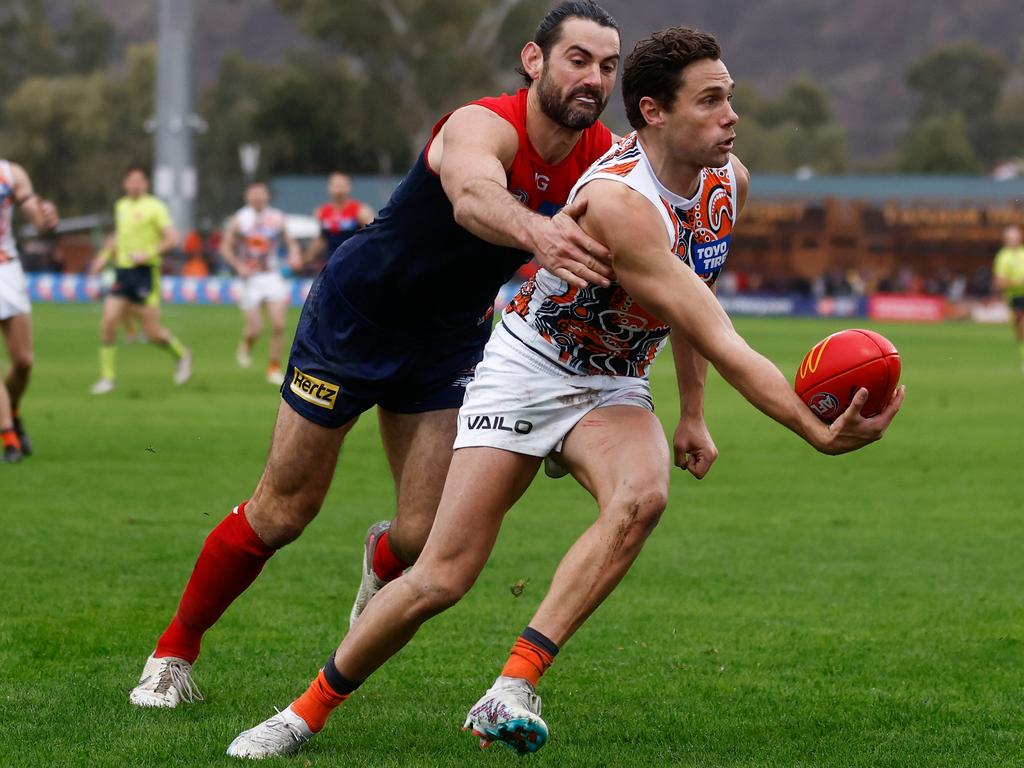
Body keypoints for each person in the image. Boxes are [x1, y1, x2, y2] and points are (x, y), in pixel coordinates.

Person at [224, 26, 905, 759]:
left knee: (641, 498)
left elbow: (694, 304)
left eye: (730, 97)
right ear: (652, 112)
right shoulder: (621, 204)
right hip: (529, 365)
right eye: (710, 102)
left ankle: (512, 686)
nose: (730, 117)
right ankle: (302, 712)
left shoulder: (728, 181)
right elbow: (720, 333)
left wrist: (694, 416)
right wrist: (811, 427)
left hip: (611, 381)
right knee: (443, 576)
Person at [129, 1, 620, 709]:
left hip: (448, 341)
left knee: (421, 539)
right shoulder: (482, 123)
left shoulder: (602, 156)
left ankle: (378, 557)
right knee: (283, 511)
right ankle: (172, 652)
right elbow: (472, 196)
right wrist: (539, 234)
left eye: (607, 66)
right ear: (534, 60)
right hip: (356, 319)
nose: (593, 78)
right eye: (579, 59)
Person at [88, 166, 192, 395]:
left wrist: (149, 253)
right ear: (125, 183)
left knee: (153, 332)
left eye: (139, 181)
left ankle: (182, 355)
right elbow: (117, 236)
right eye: (130, 180)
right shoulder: (121, 206)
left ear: (146, 184)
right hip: (123, 273)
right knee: (107, 322)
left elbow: (172, 238)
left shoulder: (155, 207)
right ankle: (108, 378)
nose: (134, 184)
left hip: (145, 273)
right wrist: (103, 257)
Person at [0, 158, 59, 463]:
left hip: (6, 269)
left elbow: (39, 222)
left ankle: (13, 410)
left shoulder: (11, 173)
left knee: (23, 362)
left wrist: (47, 219)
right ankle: (9, 437)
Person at [220, 181, 301, 385]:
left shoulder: (277, 218)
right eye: (254, 194)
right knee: (255, 328)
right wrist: (238, 265)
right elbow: (225, 248)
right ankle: (246, 344)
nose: (258, 197)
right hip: (249, 279)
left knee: (278, 324)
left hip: (272, 276)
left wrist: (294, 254)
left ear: (267, 196)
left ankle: (273, 367)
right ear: (247, 196)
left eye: (261, 194)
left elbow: (290, 241)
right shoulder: (240, 219)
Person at [305, 172, 375, 267]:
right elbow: (321, 239)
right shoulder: (321, 212)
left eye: (342, 186)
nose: (339, 190)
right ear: (329, 187)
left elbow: (374, 237)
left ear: (349, 187)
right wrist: (306, 258)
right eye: (336, 186)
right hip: (330, 263)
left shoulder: (360, 211)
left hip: (355, 263)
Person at [992, 224, 1024, 372]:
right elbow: (999, 281)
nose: (1014, 240)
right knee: (1020, 330)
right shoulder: (1003, 257)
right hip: (1015, 297)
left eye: (1016, 237)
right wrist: (1017, 283)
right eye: (1011, 238)